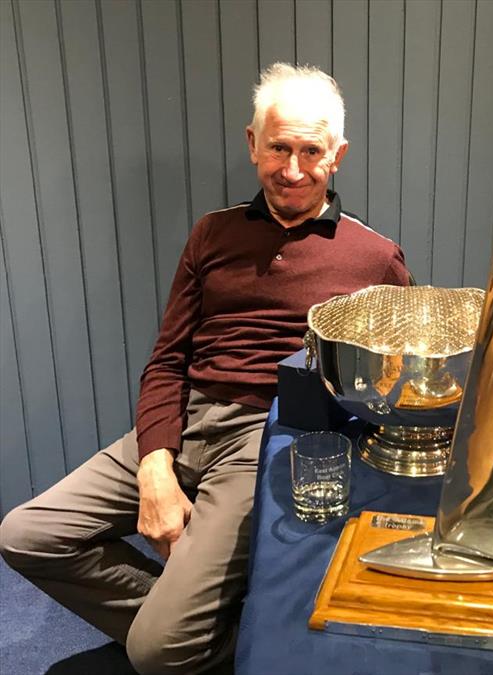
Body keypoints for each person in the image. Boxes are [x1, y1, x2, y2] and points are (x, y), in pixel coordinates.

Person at [0, 63, 409, 675]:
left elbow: (391, 386)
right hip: (185, 419)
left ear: (337, 155)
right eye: (278, 148)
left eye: (310, 151)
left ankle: (185, 639)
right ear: (252, 143)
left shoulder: (375, 258)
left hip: (267, 438)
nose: (292, 170)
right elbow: (168, 360)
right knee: (26, 534)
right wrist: (155, 463)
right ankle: (226, 634)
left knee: (155, 653)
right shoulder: (210, 234)